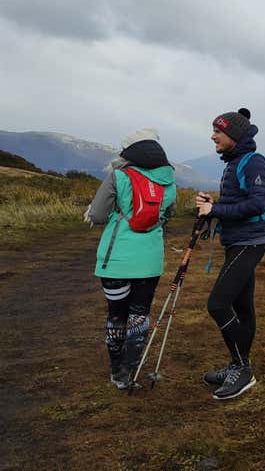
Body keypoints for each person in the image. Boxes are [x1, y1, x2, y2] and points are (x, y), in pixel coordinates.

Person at [85, 128, 177, 390]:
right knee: (139, 316)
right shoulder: (168, 180)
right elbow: (167, 216)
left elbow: (99, 215)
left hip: (115, 261)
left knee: (117, 315)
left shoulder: (118, 175)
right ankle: (131, 371)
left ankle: (117, 374)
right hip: (149, 262)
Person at [196, 108, 265, 400]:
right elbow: (237, 201)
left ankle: (242, 369)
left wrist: (216, 210)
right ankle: (238, 365)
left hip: (249, 243)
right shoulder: (234, 162)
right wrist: (214, 203)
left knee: (217, 304)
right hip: (237, 242)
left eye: (218, 131)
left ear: (234, 136)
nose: (213, 136)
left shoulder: (254, 163)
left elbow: (257, 203)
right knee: (243, 308)